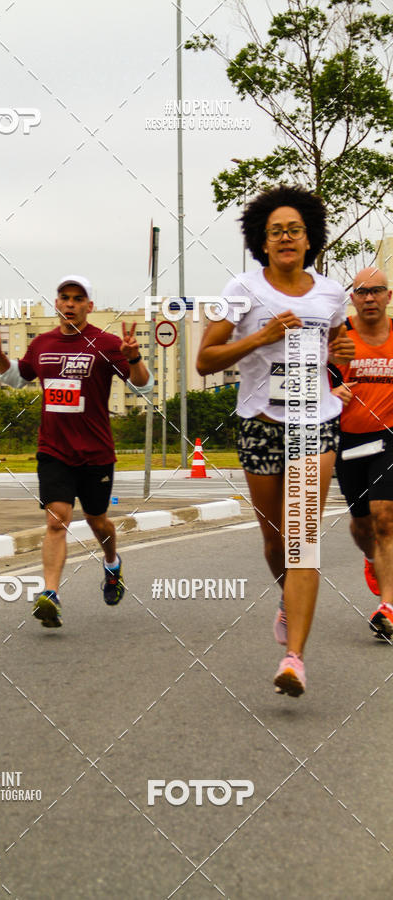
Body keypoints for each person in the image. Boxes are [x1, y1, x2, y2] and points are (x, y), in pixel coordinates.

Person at [197, 185, 351, 697]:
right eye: (275, 231)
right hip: (261, 421)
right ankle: (288, 599)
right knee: (275, 540)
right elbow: (205, 360)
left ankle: (294, 659)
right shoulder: (241, 289)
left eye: (294, 230)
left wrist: (340, 351)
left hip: (316, 421)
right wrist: (259, 338)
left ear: (310, 239)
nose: (285, 238)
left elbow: (335, 351)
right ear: (262, 242)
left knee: (304, 539)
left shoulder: (330, 295)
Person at [0, 275, 153, 628]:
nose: (70, 304)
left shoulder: (107, 343)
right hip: (54, 449)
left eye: (78, 298)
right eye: (64, 298)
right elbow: (16, 378)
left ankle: (111, 564)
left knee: (97, 520)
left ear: (89, 306)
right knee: (55, 518)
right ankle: (50, 594)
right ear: (57, 304)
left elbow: (142, 384)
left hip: (95, 452)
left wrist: (134, 358)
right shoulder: (43, 343)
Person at [333, 267, 393, 638]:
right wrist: (330, 393)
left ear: (388, 296)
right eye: (361, 292)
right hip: (349, 439)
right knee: (361, 525)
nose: (369, 298)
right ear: (352, 298)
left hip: (389, 438)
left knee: (385, 518)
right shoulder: (341, 338)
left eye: (376, 291)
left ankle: (388, 606)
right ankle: (372, 559)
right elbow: (316, 383)